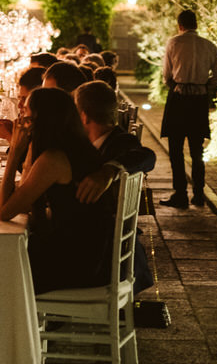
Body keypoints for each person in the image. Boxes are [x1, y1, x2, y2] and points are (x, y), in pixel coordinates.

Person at [0, 88, 115, 293]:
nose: (20, 123)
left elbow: (5, 211)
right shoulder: (76, 147)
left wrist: (15, 152)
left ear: (37, 122)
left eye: (24, 116)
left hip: (75, 265)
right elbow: (28, 199)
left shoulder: (54, 160)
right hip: (91, 255)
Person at [73, 80, 156, 293]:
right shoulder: (88, 143)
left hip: (104, 256)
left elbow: (148, 156)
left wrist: (110, 170)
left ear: (83, 116)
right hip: (99, 246)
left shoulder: (121, 142)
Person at [159, 10, 217, 208]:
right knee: (197, 150)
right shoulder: (209, 45)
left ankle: (180, 194)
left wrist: (178, 85)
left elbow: (166, 75)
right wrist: (203, 85)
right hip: (199, 101)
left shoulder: (174, 43)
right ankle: (198, 193)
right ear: (196, 24)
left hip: (179, 98)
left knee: (176, 150)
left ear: (180, 26)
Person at [0, 67, 43, 172]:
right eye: (20, 98)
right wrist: (13, 132)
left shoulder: (48, 134)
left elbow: (26, 172)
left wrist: (10, 137)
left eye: (25, 99)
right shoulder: (37, 127)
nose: (19, 105)